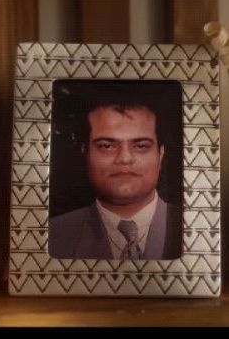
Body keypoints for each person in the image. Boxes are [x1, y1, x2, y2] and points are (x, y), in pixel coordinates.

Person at [49, 95, 181, 260]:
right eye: (106, 146)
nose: (125, 158)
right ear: (85, 153)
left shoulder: (197, 227)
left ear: (160, 154)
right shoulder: (52, 236)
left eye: (141, 146)